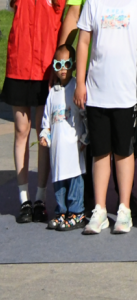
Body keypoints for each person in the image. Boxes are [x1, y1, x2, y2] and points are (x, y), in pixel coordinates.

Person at [74, 0, 137, 235]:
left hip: (126, 92)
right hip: (97, 91)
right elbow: (83, 42)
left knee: (123, 151)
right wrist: (80, 82)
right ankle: (99, 210)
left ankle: (124, 209)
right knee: (100, 153)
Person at [4, 0, 70, 224]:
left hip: (46, 70)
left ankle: (41, 198)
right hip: (19, 66)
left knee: (44, 134)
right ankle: (24, 200)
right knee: (21, 131)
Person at [39, 43, 88, 231]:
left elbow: (85, 115)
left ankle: (77, 212)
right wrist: (45, 135)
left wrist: (85, 138)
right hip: (57, 151)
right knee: (59, 183)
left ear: (73, 65)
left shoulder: (76, 87)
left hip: (74, 148)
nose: (63, 69)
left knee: (75, 180)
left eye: (67, 64)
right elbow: (47, 120)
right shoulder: (52, 93)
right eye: (58, 65)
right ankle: (61, 212)